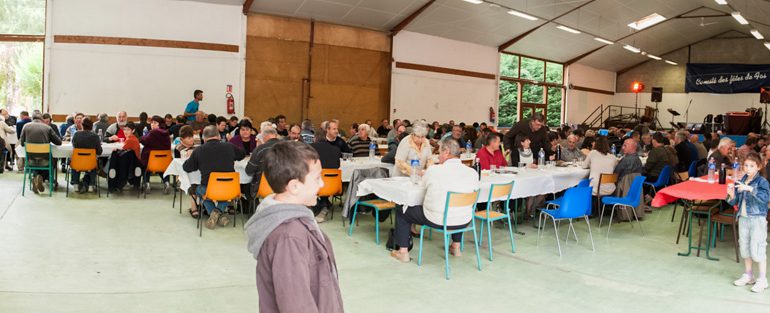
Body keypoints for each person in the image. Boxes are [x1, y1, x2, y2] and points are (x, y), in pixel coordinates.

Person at [244, 141, 343, 312]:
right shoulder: (289, 236)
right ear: (294, 186)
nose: (322, 184)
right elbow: (296, 304)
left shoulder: (297, 221)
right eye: (317, 178)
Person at [390, 138, 479, 263]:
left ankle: (403, 252)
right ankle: (456, 246)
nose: (438, 157)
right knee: (457, 210)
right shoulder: (472, 172)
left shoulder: (435, 170)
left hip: (437, 219)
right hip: (465, 220)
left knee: (402, 209)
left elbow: (422, 187)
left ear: (446, 152)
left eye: (440, 153)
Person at [184, 125, 246, 229]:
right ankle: (219, 214)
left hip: (209, 190)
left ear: (204, 138)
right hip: (230, 190)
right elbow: (242, 154)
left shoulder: (199, 150)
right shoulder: (229, 146)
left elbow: (187, 168)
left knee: (198, 190)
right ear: (218, 136)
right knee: (224, 194)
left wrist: (191, 156)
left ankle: (214, 213)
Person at [728, 152, 770, 293]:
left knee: (757, 247)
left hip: (757, 219)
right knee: (745, 247)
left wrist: (750, 189)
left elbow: (765, 198)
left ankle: (762, 279)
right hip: (743, 218)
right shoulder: (742, 179)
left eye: (751, 166)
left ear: (758, 167)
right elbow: (735, 202)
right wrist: (732, 195)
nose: (748, 168)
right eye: (745, 165)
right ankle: (748, 275)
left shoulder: (762, 182)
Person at [19, 113, 63, 194]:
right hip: (45, 160)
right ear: (42, 120)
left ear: (32, 119)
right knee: (52, 161)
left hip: (30, 160)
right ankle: (42, 178)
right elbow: (59, 142)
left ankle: (36, 177)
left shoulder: (26, 126)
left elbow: (22, 143)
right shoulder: (47, 127)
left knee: (35, 160)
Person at [140, 115, 172, 194]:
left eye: (155, 123)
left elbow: (144, 141)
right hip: (164, 162)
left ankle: (147, 183)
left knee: (145, 166)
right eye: (151, 123)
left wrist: (142, 137)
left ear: (159, 124)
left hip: (150, 162)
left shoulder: (153, 132)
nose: (152, 124)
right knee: (161, 167)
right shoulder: (166, 133)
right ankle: (166, 182)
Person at [70, 118, 103, 193]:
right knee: (94, 163)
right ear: (92, 126)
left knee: (74, 161)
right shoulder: (95, 136)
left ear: (82, 125)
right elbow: (99, 152)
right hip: (90, 164)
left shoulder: (76, 134)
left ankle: (75, 184)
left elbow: (73, 146)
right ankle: (91, 185)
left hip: (77, 163)